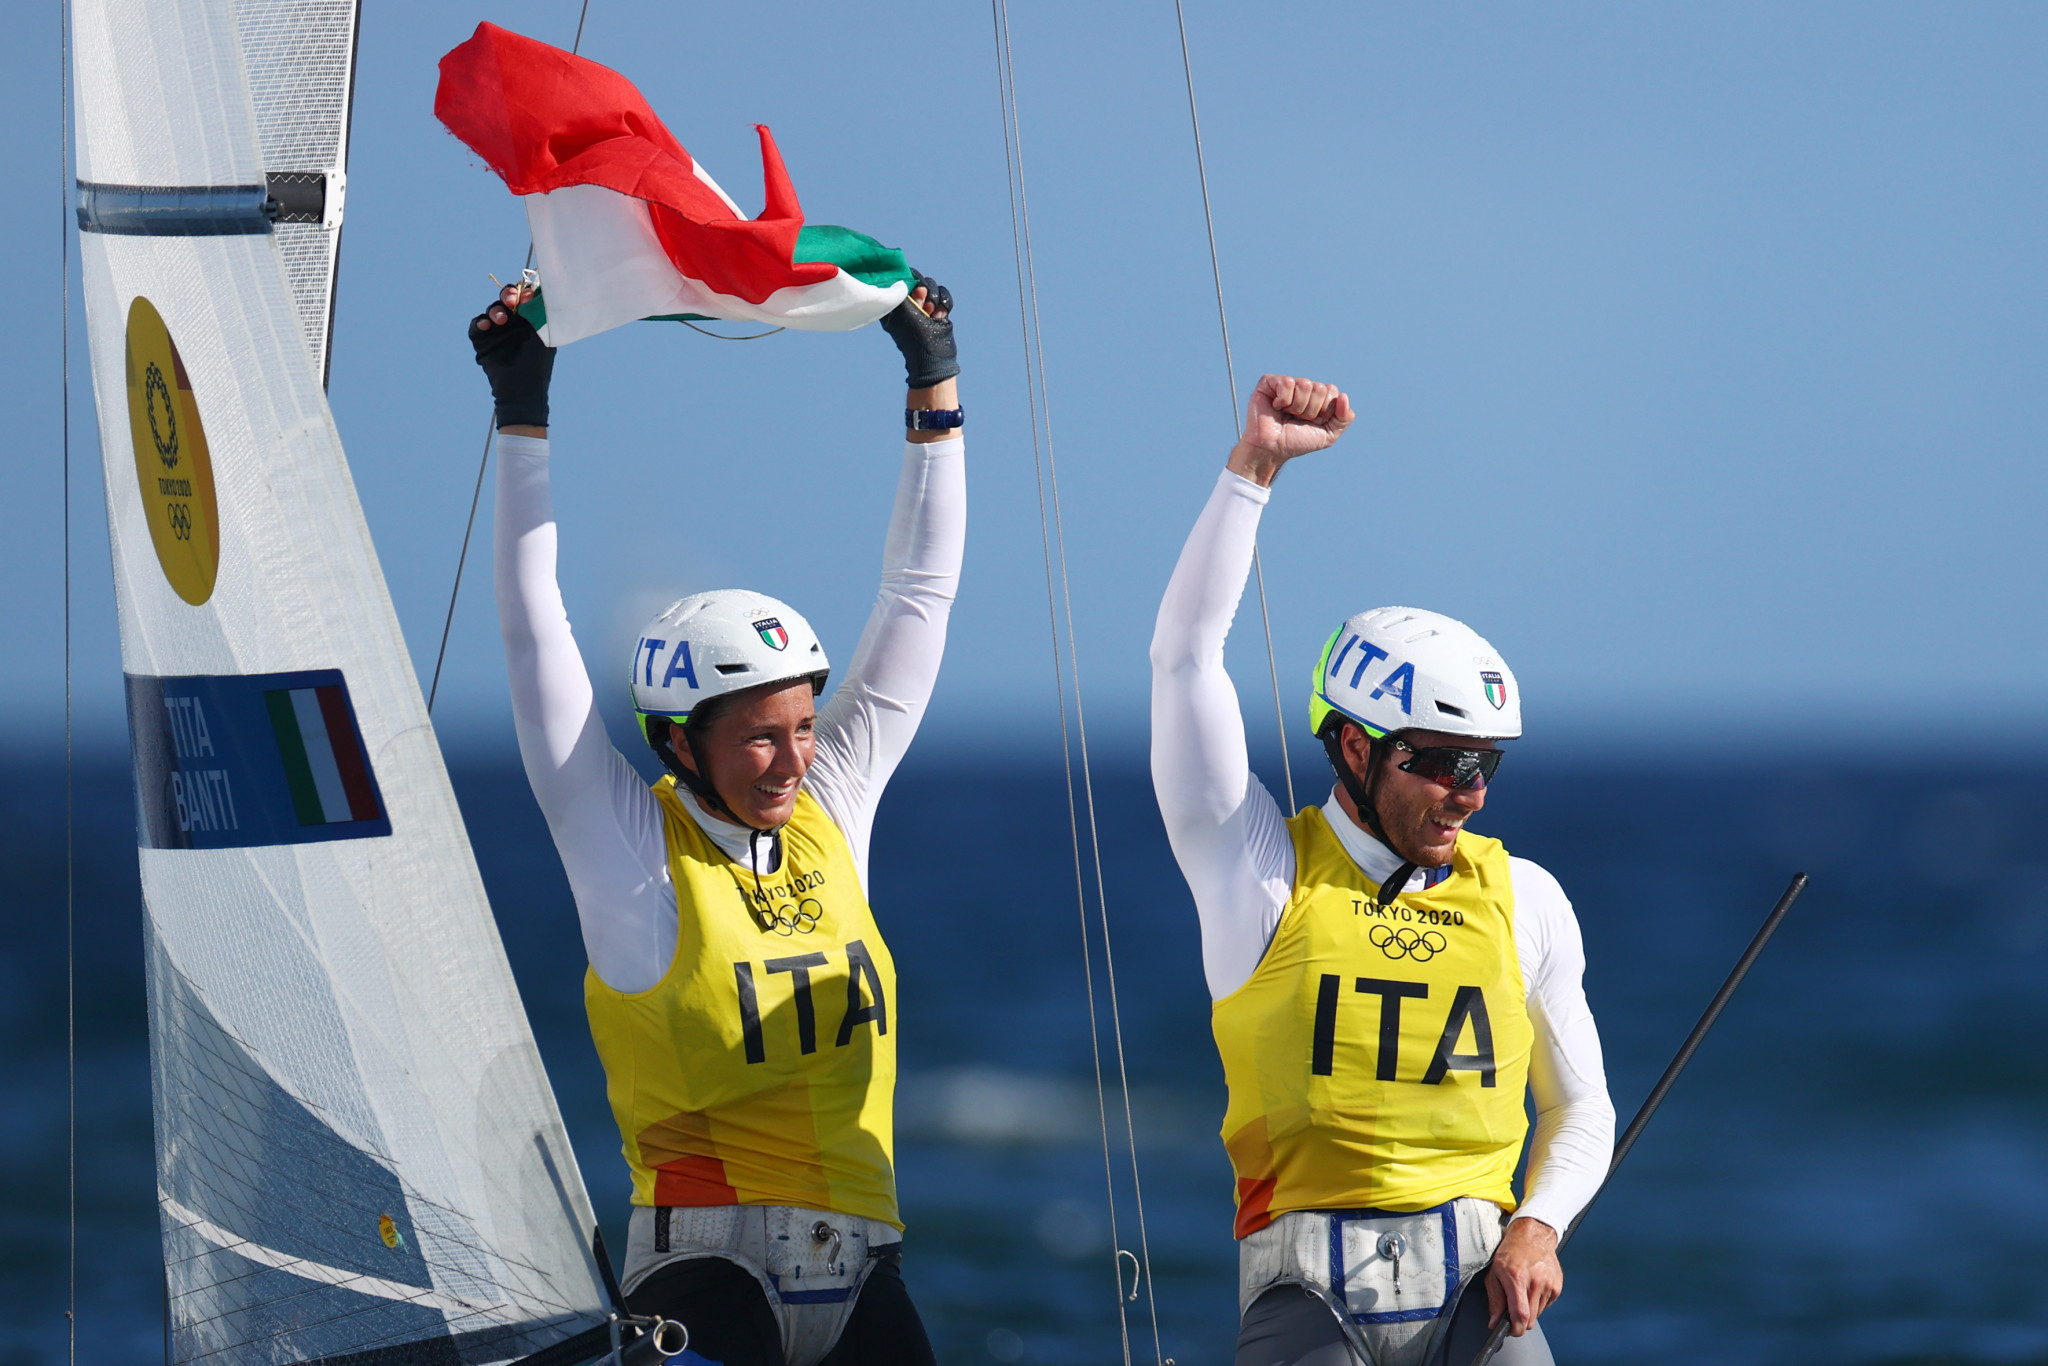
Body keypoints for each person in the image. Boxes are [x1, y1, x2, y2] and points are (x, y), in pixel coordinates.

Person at [469, 275, 965, 1366]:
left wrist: (931, 382)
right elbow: (532, 634)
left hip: (864, 1272)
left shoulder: (832, 805)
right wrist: (522, 411)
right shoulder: (631, 850)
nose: (794, 758)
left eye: (802, 725)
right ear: (677, 742)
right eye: (757, 736)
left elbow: (918, 594)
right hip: (705, 1276)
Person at [1149, 375, 1615, 1366]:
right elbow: (1185, 661)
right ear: (1352, 749)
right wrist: (1254, 469)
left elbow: (1579, 1108)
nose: (1466, 793)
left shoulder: (1524, 897)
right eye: (1437, 762)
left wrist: (1538, 1226)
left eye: (1483, 765)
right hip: (1305, 1300)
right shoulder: (1258, 877)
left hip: (1477, 1305)